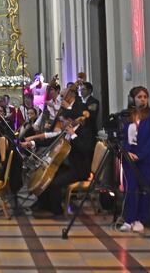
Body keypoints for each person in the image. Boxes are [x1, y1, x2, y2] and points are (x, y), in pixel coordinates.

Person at [23, 85, 94, 218]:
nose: (62, 124)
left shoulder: (84, 131)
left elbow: (85, 149)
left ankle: (57, 211)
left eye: (64, 121)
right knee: (47, 177)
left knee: (54, 182)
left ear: (71, 121)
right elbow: (51, 140)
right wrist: (32, 143)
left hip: (78, 168)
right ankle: (44, 204)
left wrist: (73, 135)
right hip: (66, 166)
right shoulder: (66, 130)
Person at [120, 86, 150, 233]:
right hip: (130, 157)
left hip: (147, 158)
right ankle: (128, 219)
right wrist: (128, 152)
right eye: (139, 97)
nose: (142, 99)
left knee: (144, 189)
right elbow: (123, 137)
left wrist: (140, 155)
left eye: (145, 96)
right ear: (132, 99)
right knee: (131, 188)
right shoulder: (126, 116)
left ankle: (140, 219)